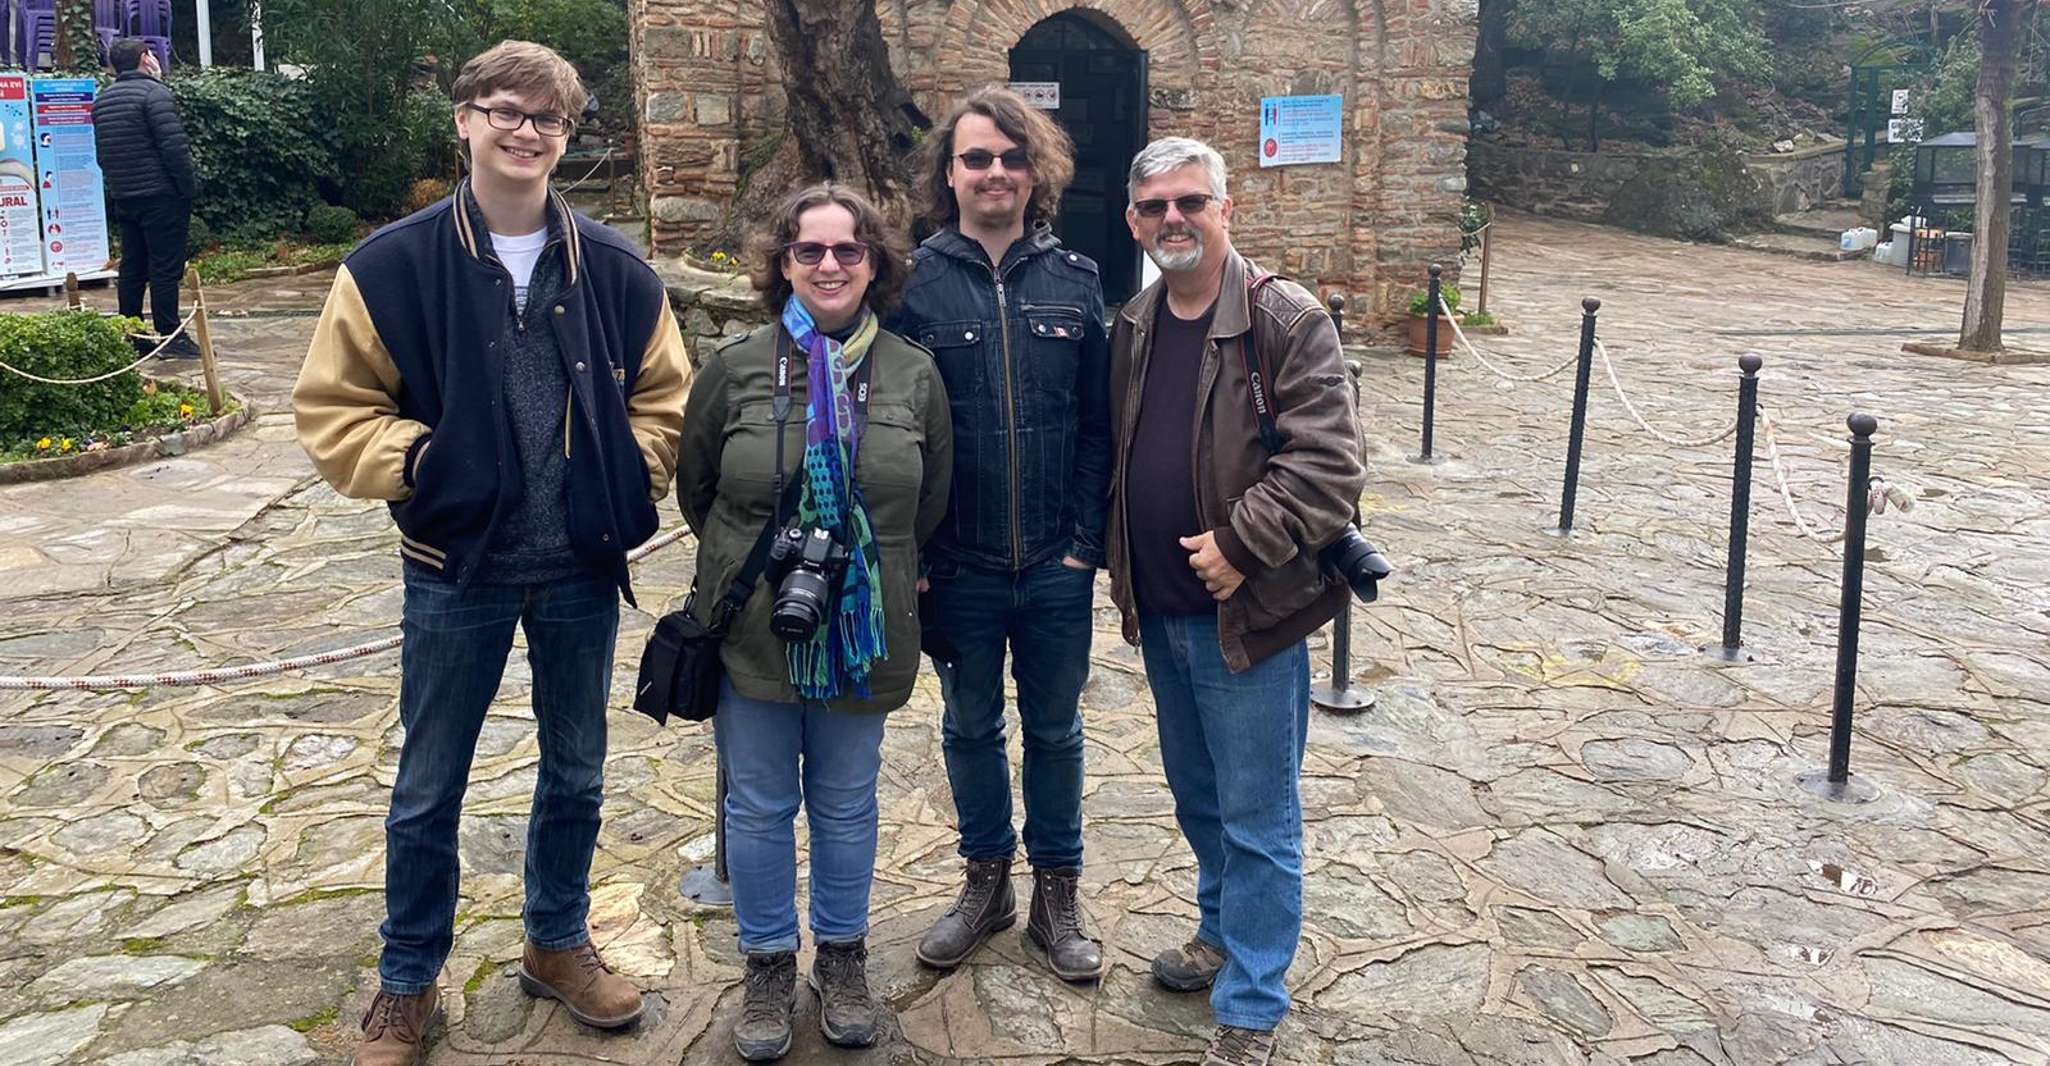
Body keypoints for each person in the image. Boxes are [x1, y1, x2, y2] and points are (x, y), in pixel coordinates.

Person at [290, 40, 691, 1066]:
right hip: (454, 569)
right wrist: (427, 465)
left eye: (548, 117)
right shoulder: (392, 266)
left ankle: (556, 941)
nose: (526, 131)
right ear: (464, 119)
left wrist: (624, 474)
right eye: (506, 110)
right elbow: (335, 409)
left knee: (577, 773)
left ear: (567, 135)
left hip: (579, 568)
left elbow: (667, 400)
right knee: (429, 786)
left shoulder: (615, 267)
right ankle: (407, 980)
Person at [675, 182, 951, 1062]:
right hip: (755, 626)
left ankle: (841, 955)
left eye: (848, 250)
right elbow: (699, 492)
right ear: (783, 264)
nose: (829, 265)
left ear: (875, 264)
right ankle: (766, 962)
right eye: (809, 250)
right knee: (758, 804)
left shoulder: (912, 373)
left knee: (845, 800)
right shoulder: (736, 369)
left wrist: (860, 569)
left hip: (862, 631)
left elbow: (929, 503)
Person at [1105, 137, 1366, 1066]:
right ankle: (1220, 932)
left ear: (1227, 209)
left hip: (1246, 614)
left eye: (1190, 201)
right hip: (1162, 607)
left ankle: (1252, 1004)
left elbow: (1329, 465)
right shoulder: (1135, 322)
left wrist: (1241, 545)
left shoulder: (1283, 318)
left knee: (1259, 815)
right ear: (1134, 222)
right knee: (1199, 797)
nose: (1172, 219)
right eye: (1154, 207)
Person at [884, 85, 1112, 983]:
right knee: (970, 726)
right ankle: (987, 884)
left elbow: (1097, 425)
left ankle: (1057, 893)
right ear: (949, 173)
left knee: (1055, 731)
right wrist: (914, 551)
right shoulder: (911, 284)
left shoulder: (1077, 280)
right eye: (977, 157)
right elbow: (891, 430)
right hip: (958, 565)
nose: (996, 172)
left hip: (1054, 561)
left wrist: (1085, 542)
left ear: (1036, 171)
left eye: (1013, 158)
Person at [92, 39, 199, 358]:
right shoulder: (155, 94)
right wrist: (188, 188)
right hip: (161, 195)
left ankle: (133, 335)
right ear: (144, 59)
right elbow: (174, 149)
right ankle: (171, 335)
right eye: (151, 54)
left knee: (133, 267)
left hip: (125, 195)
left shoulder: (103, 100)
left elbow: (102, 155)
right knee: (165, 268)